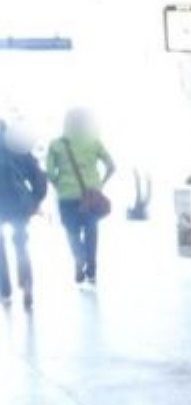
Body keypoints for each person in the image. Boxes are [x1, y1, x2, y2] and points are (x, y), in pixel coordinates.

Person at [46, 109, 114, 286]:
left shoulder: (56, 145)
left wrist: (60, 185)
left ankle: (79, 257)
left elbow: (50, 173)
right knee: (91, 231)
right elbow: (112, 166)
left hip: (66, 197)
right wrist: (100, 184)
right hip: (91, 195)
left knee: (72, 232)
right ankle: (91, 271)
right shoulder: (94, 142)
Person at [0, 122, 48, 309]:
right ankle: (27, 285)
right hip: (19, 205)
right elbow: (38, 176)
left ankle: (5, 291)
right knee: (21, 245)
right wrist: (35, 200)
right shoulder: (16, 145)